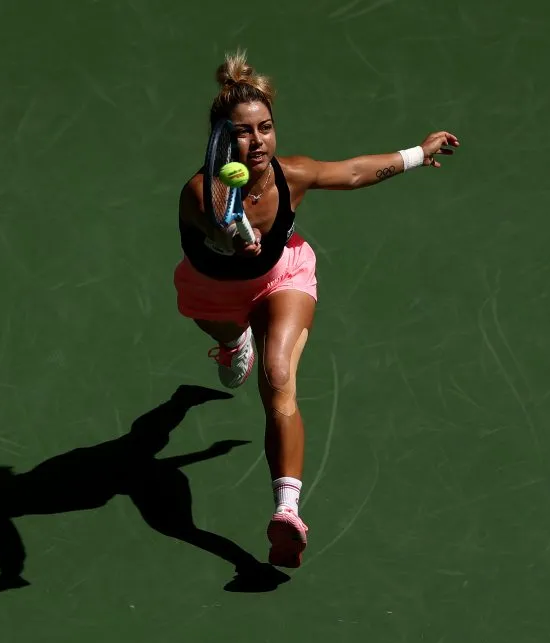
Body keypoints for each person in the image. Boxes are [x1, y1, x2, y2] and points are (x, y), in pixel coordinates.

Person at [174, 49, 459, 569]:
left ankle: (287, 510)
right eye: (242, 132)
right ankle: (233, 341)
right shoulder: (199, 193)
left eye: (265, 128)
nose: (257, 140)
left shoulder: (292, 175)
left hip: (281, 277)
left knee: (278, 375)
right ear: (221, 139)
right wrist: (232, 235)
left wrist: (418, 153)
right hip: (214, 291)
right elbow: (217, 222)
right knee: (226, 332)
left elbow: (352, 172)